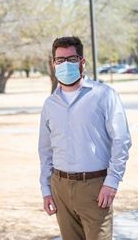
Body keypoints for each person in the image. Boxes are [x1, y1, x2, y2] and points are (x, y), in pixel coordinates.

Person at [38, 36, 132, 240]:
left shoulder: (104, 95)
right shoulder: (50, 104)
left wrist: (112, 181)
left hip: (95, 187)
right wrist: (46, 189)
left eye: (71, 59)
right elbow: (45, 150)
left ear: (82, 62)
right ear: (53, 64)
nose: (65, 64)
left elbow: (121, 140)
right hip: (60, 187)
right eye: (60, 60)